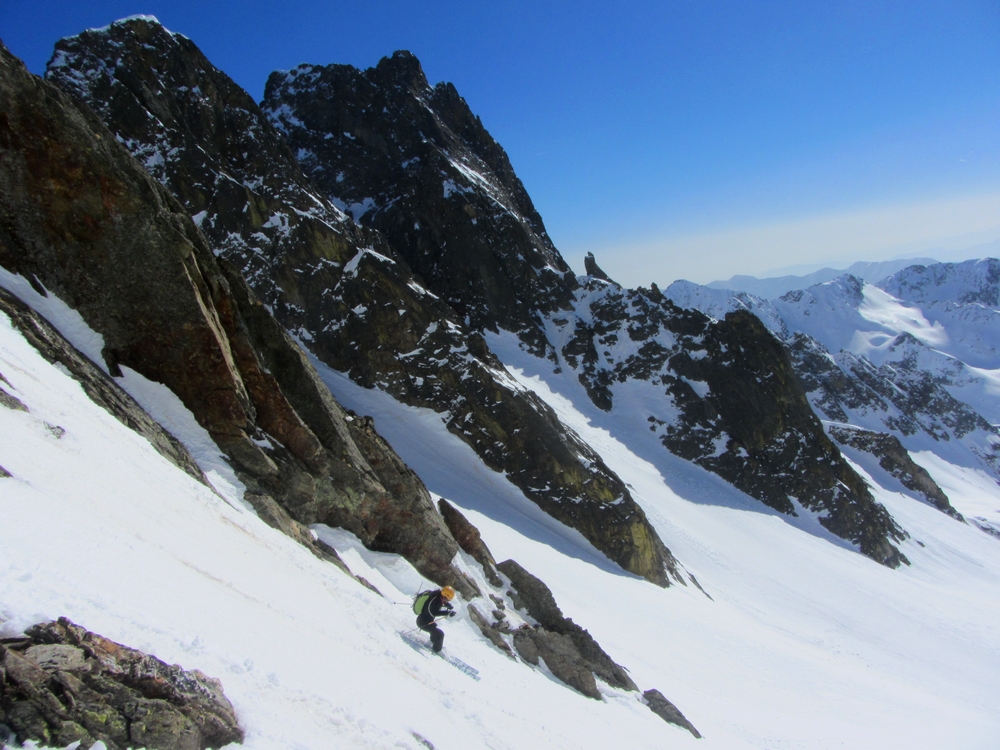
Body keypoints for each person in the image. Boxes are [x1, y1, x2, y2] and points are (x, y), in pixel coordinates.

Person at [415, 585, 456, 653]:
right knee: (440, 634)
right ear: (444, 596)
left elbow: (438, 604)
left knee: (435, 630)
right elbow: (433, 612)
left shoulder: (436, 597)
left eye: (448, 600)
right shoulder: (435, 600)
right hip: (423, 622)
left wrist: (448, 606)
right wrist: (447, 613)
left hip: (425, 621)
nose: (446, 601)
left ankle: (432, 643)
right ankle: (436, 651)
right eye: (446, 599)